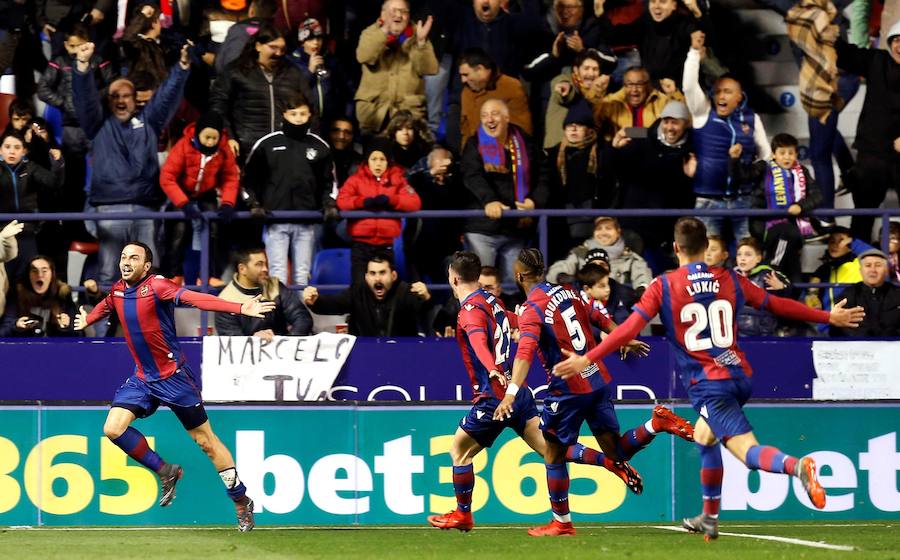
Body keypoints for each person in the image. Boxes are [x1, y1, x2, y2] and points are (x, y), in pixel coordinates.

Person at [554, 217, 866, 540]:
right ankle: (709, 517)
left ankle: (798, 466)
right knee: (704, 436)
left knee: (747, 453)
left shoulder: (664, 285)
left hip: (709, 384)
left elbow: (628, 330)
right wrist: (828, 315)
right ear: (707, 248)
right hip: (738, 374)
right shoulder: (729, 278)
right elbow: (776, 304)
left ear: (676, 248)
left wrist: (586, 358)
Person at [427, 251, 642, 532]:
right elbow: (516, 323)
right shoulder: (492, 300)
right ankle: (610, 463)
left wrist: (491, 366)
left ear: (453, 279)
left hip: (494, 398)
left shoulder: (468, 311)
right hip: (519, 395)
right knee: (551, 449)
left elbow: (479, 341)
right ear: (476, 277)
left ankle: (463, 515)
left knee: (459, 451)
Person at [73, 241, 276, 532]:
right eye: (123, 256)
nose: (126, 261)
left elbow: (195, 298)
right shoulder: (118, 289)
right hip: (143, 378)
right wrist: (87, 319)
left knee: (206, 442)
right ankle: (166, 470)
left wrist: (240, 306)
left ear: (146, 266)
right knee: (113, 428)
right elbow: (107, 306)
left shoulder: (157, 286)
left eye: (134, 257)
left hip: (174, 378)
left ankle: (240, 500)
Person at [496, 248, 694, 537]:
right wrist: (623, 337)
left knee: (553, 453)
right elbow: (598, 316)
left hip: (567, 388)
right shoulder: (569, 292)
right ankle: (657, 423)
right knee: (616, 452)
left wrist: (511, 391)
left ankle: (561, 522)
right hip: (597, 379)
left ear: (519, 275)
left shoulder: (531, 308)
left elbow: (524, 353)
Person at [71, 40, 190, 287]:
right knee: (109, 276)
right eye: (115, 96)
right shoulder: (98, 125)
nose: (121, 101)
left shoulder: (150, 122)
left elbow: (166, 97)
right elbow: (84, 100)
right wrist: (82, 66)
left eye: (126, 96)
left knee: (149, 275)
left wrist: (182, 66)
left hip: (146, 209)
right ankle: (105, 326)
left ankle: (147, 327)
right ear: (108, 100)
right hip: (109, 209)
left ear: (136, 100)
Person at [683, 31, 772, 242]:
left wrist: (749, 173)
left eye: (728, 92)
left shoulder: (752, 119)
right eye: (718, 91)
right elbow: (688, 86)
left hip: (743, 200)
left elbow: (766, 156)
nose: (721, 96)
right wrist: (694, 52)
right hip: (708, 200)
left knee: (747, 256)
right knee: (705, 258)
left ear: (739, 97)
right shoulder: (702, 112)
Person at [243, 93, 337, 286]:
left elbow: (330, 182)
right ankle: (278, 315)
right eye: (293, 114)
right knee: (277, 273)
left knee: (303, 274)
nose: (298, 118)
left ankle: (300, 316)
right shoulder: (267, 144)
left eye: (303, 113)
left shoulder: (320, 146)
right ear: (284, 115)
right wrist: (253, 204)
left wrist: (329, 204)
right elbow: (248, 179)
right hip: (275, 219)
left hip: (306, 220)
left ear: (310, 115)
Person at [461, 98, 546, 288]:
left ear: (507, 117)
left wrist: (535, 201)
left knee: (513, 285)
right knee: (480, 285)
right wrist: (489, 201)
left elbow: (544, 176)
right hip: (482, 228)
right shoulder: (474, 144)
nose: (489, 119)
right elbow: (472, 176)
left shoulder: (526, 142)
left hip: (515, 228)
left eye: (494, 114)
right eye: (484, 115)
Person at [209, 23, 313, 161]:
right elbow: (218, 106)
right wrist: (228, 136)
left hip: (284, 150)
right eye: (273, 47)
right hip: (245, 148)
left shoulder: (293, 73)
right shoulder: (236, 71)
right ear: (258, 46)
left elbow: (311, 107)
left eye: (282, 49)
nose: (278, 53)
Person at [836, 21, 900, 241]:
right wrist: (823, 26)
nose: (899, 46)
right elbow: (843, 54)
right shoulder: (877, 60)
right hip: (872, 154)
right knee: (863, 216)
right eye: (896, 40)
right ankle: (857, 268)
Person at [730, 133, 823, 283]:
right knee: (786, 235)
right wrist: (734, 160)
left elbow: (817, 195)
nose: (787, 157)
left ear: (796, 154)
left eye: (791, 153)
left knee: (792, 259)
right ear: (773, 154)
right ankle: (772, 271)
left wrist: (800, 206)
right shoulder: (763, 167)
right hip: (766, 227)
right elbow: (742, 178)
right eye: (782, 153)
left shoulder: (802, 171)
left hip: (794, 228)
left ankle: (790, 293)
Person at [159, 112, 240, 285]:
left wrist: (227, 203)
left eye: (214, 138)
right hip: (181, 193)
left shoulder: (224, 150)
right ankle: (173, 276)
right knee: (178, 231)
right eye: (207, 137)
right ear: (198, 134)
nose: (210, 142)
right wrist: (184, 203)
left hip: (207, 194)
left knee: (214, 229)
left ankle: (208, 276)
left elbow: (230, 178)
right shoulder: (183, 146)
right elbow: (167, 177)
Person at [337, 136, 422, 284]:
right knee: (360, 286)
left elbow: (414, 202)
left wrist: (392, 201)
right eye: (374, 159)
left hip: (385, 245)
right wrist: (362, 202)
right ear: (367, 160)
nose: (378, 164)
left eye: (382, 159)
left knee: (384, 287)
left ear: (388, 161)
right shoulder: (355, 180)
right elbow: (342, 201)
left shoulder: (398, 179)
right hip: (360, 245)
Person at [354, 0, 438, 135]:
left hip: (408, 118)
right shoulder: (370, 33)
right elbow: (364, 56)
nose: (398, 15)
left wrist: (421, 43)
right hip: (374, 115)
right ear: (383, 14)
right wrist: (384, 31)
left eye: (404, 12)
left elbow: (429, 69)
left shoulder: (418, 35)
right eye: (393, 11)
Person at [539, 99, 615, 241]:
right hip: (559, 217)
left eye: (579, 125)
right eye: (569, 125)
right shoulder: (552, 154)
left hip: (590, 216)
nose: (573, 129)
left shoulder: (603, 152)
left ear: (589, 129)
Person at [302, 252, 430, 337]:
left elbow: (426, 314)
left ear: (393, 275)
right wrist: (316, 301)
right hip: (365, 353)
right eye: (373, 273)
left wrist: (425, 298)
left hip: (401, 354)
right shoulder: (357, 292)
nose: (377, 279)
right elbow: (334, 303)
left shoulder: (405, 292)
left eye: (382, 272)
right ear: (366, 277)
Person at [0, 129, 64, 279]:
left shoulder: (31, 168)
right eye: (7, 146)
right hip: (1, 233)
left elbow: (54, 182)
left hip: (27, 231)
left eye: (17, 147)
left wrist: (58, 164)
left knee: (27, 279)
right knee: (3, 281)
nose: (12, 151)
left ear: (24, 151)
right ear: (0, 149)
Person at [216, 246, 312, 338]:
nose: (265, 269)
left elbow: (302, 317)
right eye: (259, 264)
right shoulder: (225, 301)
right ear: (242, 269)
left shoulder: (275, 286)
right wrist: (254, 340)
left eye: (266, 264)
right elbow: (233, 343)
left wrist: (285, 342)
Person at [548, 217, 651, 296]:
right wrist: (560, 276)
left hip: (617, 306)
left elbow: (643, 277)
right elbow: (558, 270)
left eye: (608, 228)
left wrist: (641, 289)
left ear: (618, 231)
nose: (603, 232)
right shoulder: (580, 253)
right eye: (599, 228)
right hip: (585, 306)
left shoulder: (630, 257)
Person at [457, 47, 532, 150]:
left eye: (466, 74)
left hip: (506, 155)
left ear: (480, 69)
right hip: (475, 156)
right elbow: (465, 130)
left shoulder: (511, 87)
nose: (463, 80)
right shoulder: (466, 92)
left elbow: (522, 128)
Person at [0, 255, 78, 337]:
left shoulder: (62, 295)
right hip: (25, 348)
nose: (40, 275)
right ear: (28, 276)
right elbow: (2, 332)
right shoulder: (17, 295)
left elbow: (79, 336)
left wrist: (66, 327)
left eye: (44, 271)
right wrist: (16, 326)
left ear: (52, 275)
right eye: (34, 271)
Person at [830, 248, 900, 337]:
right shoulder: (849, 295)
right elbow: (838, 330)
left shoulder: (897, 294)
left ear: (886, 271)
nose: (873, 270)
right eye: (868, 265)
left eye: (878, 265)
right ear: (861, 271)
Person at [734, 237, 790, 337]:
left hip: (763, 333)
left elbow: (787, 293)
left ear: (758, 258)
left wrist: (781, 288)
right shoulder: (730, 276)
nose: (742, 258)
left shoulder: (768, 275)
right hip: (737, 334)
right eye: (739, 254)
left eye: (748, 254)